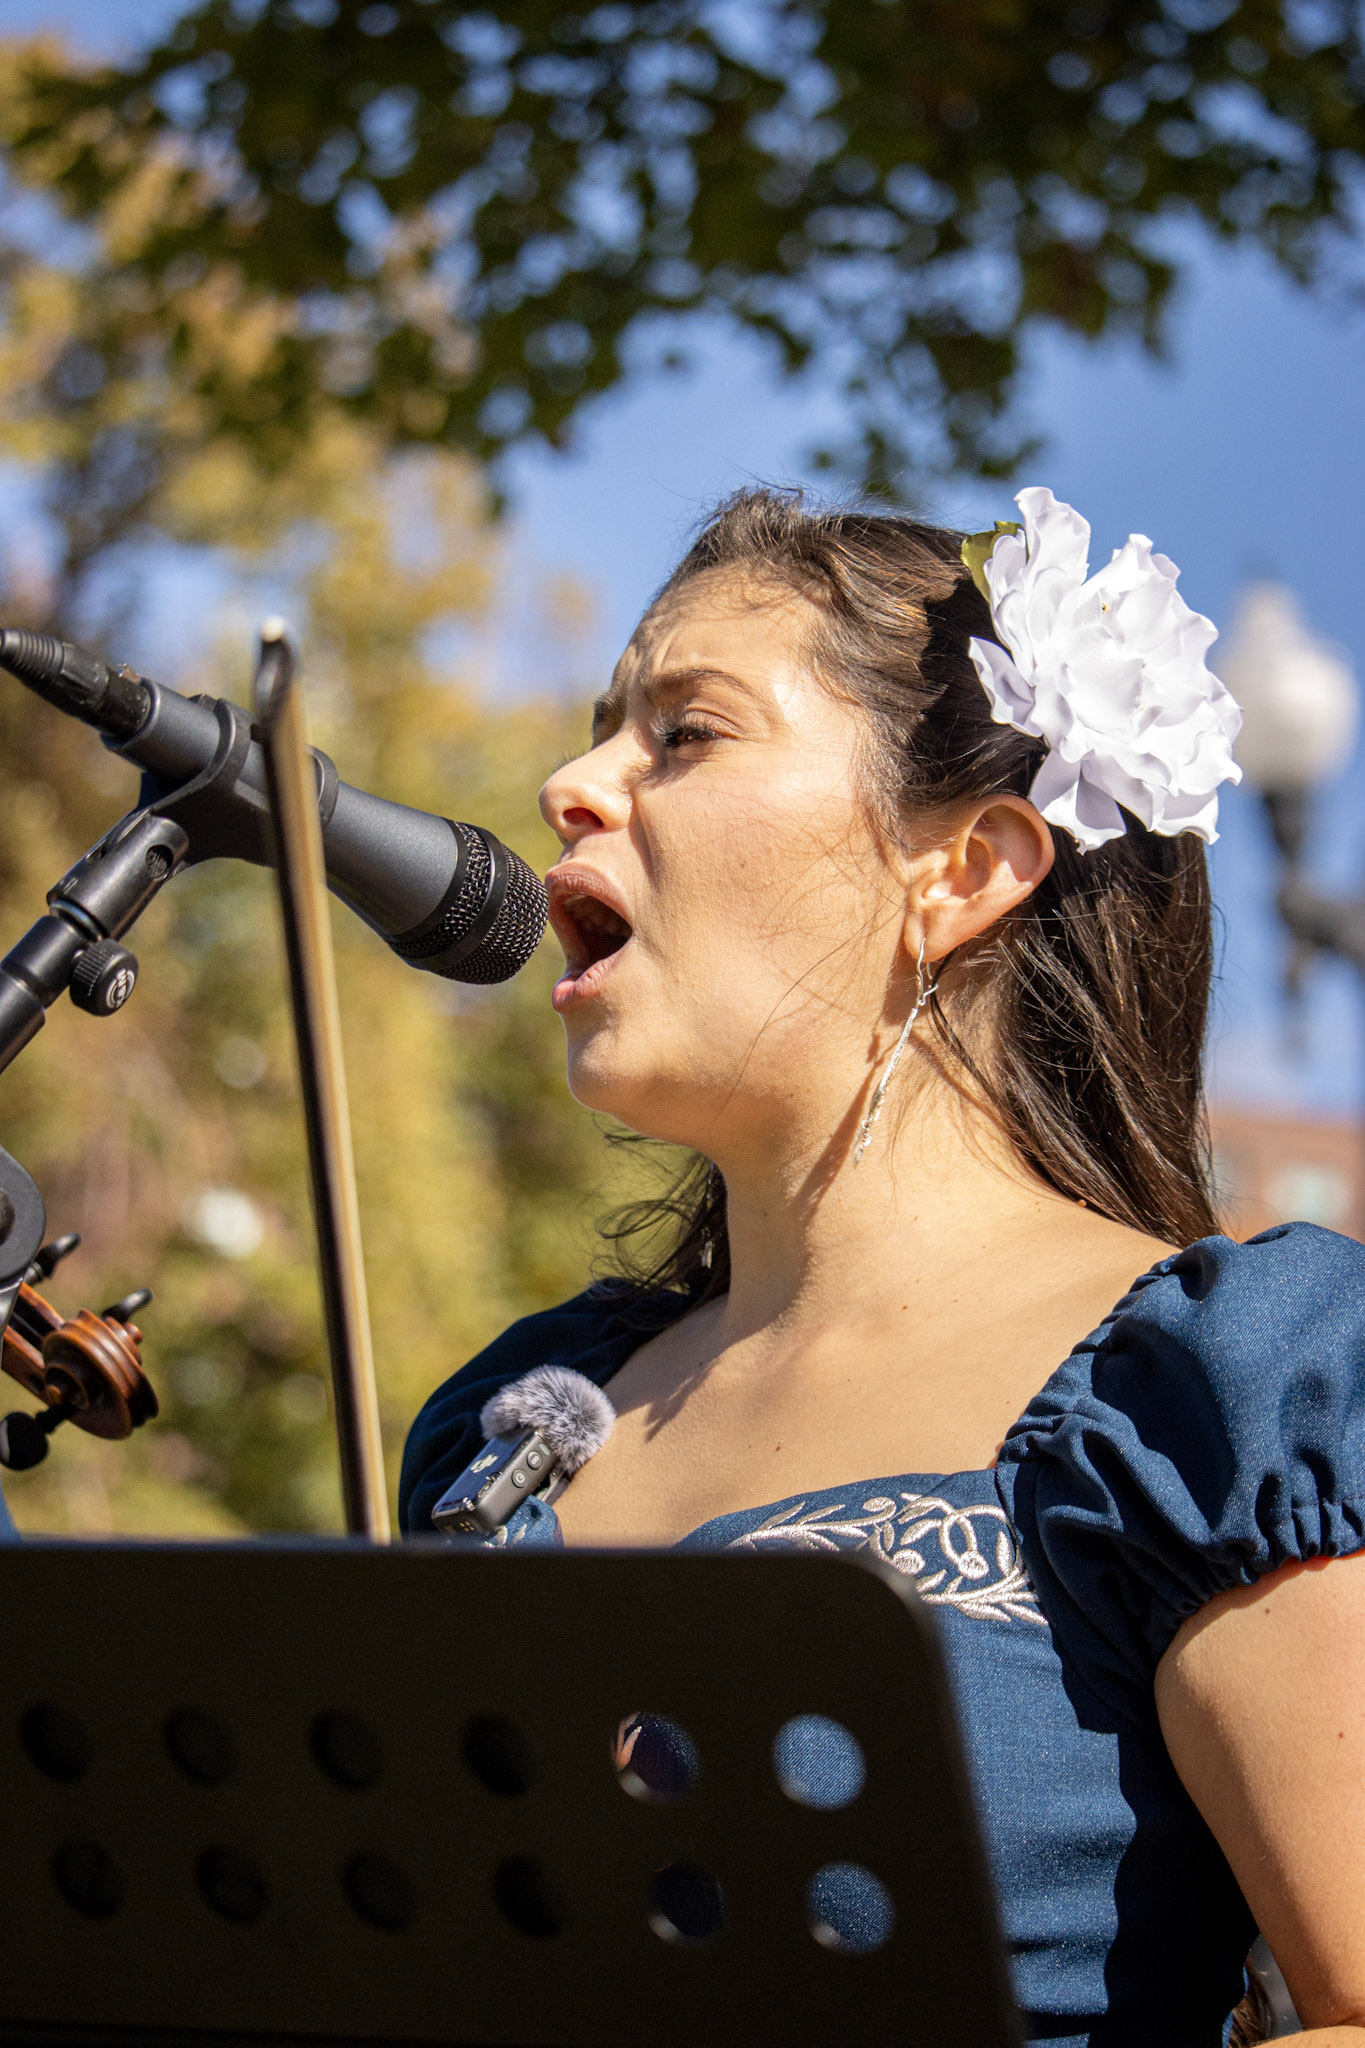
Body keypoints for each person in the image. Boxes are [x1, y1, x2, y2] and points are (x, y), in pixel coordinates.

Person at [401, 486, 1365, 2045]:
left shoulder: (1226, 1388)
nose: (569, 785)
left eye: (683, 733)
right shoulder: (510, 1412)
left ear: (962, 866)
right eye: (600, 732)